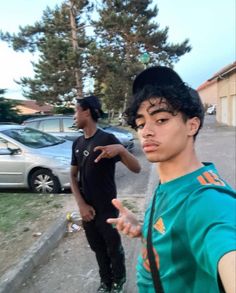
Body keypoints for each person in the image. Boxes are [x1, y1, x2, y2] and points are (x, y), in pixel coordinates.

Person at [107, 66, 236, 293]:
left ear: (192, 125)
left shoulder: (207, 201)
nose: (146, 131)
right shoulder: (169, 182)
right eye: (140, 123)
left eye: (161, 120)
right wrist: (143, 231)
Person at [70, 95, 141, 293]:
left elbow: (137, 168)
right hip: (87, 210)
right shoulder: (77, 143)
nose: (74, 116)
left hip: (107, 208)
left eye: (76, 110)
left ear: (87, 111)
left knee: (112, 248)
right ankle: (106, 282)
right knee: (97, 249)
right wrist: (81, 205)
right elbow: (73, 176)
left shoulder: (106, 139)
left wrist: (120, 150)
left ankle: (119, 280)